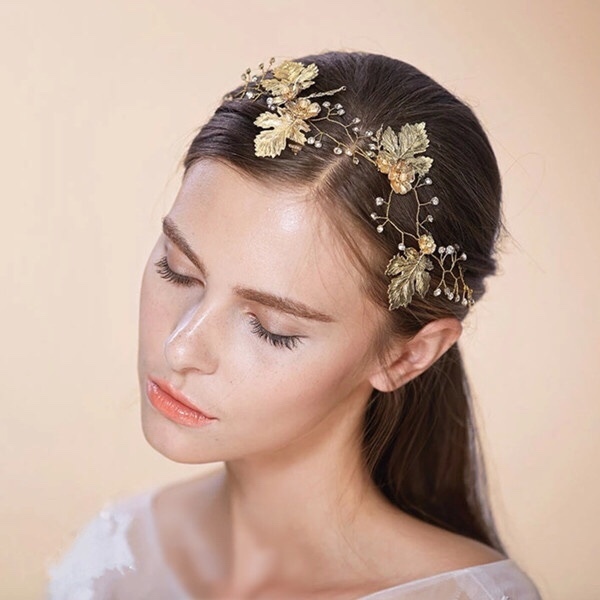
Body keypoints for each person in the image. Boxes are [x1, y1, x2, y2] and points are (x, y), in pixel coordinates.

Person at [46, 51, 542, 599]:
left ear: (407, 355)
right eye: (178, 270)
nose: (181, 347)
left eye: (271, 328)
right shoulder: (113, 559)